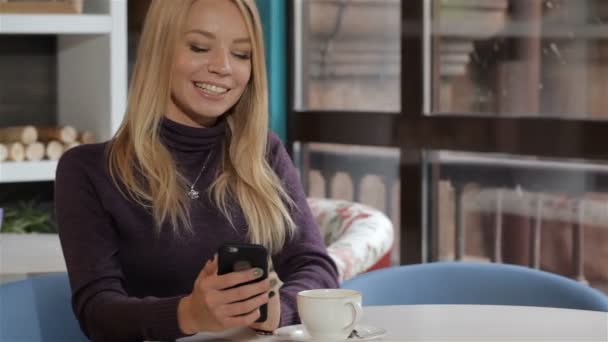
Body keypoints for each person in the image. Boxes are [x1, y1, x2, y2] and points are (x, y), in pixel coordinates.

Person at [54, 0, 339, 341]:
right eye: (200, 47)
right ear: (159, 50)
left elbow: (317, 267)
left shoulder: (264, 152)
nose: (222, 67)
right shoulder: (87, 170)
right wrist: (189, 314)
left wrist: (277, 310)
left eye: (242, 54)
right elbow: (97, 313)